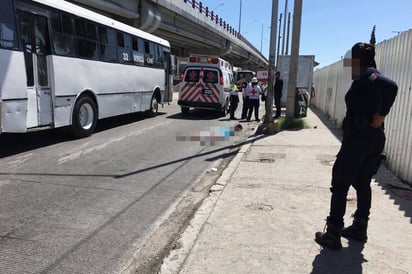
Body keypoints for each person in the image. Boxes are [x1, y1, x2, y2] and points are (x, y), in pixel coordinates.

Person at [315, 42, 398, 250]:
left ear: (357, 59)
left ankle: (333, 234)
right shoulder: (366, 76)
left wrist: (382, 114)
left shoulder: (368, 74)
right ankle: (359, 228)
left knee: (340, 183)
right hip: (373, 138)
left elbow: (391, 86)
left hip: (359, 139)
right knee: (362, 183)